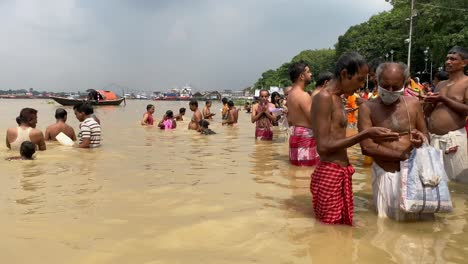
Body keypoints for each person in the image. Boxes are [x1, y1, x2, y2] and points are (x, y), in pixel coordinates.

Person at [310, 52, 399, 225]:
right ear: (344, 74)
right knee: (331, 234)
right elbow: (323, 146)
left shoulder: (338, 98)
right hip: (330, 173)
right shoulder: (324, 98)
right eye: (359, 79)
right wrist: (365, 134)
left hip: (341, 172)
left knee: (340, 233)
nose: (360, 86)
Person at [358, 62, 429, 221]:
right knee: (386, 223)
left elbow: (425, 135)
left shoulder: (413, 104)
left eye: (395, 87)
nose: (390, 91)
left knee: (417, 226)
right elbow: (366, 147)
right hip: (386, 174)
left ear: (404, 84)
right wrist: (402, 156)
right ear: (377, 81)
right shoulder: (367, 108)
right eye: (385, 86)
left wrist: (420, 140)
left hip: (414, 174)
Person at [424, 46, 468, 183]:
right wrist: (428, 101)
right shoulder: (441, 84)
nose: (448, 62)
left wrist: (443, 99)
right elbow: (427, 112)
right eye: (447, 59)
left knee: (458, 182)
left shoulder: (466, 83)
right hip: (434, 139)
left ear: (464, 63)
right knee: (434, 182)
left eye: (453, 59)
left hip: (453, 139)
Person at [286, 61, 319, 166]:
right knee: (306, 174)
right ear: (302, 76)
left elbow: (290, 120)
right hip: (306, 137)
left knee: (296, 173)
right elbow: (314, 120)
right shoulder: (303, 95)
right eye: (308, 72)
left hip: (295, 134)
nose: (311, 74)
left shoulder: (290, 95)